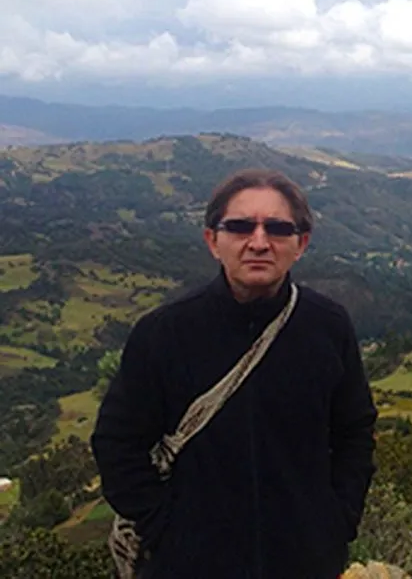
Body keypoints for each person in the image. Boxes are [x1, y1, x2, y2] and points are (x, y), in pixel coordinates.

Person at [91, 168, 377, 579]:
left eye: (278, 228)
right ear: (213, 240)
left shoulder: (328, 326)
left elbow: (354, 431)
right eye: (241, 227)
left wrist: (336, 522)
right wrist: (167, 529)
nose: (259, 242)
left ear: (301, 243)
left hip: (305, 563)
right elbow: (117, 444)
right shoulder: (164, 334)